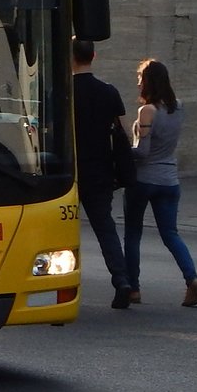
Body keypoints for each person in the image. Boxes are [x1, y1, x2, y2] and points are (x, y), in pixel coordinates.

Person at [123, 58, 197, 307]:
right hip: (170, 180)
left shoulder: (147, 111)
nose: (138, 83)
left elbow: (143, 152)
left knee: (133, 234)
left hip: (144, 179)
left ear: (147, 81)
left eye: (140, 78)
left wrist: (123, 149)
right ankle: (192, 279)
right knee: (170, 233)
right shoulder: (178, 107)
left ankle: (133, 289)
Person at [71, 38, 133, 309]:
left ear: (70, 57)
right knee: (106, 229)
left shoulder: (61, 91)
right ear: (93, 56)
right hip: (101, 171)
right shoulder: (108, 91)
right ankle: (122, 280)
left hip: (67, 173)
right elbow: (122, 132)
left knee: (60, 230)